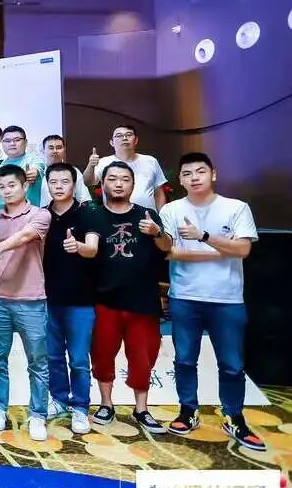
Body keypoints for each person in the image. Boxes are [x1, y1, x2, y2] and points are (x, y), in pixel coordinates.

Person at [161, 153, 264, 450]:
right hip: (184, 296)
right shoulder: (171, 210)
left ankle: (234, 416)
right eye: (187, 173)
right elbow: (170, 252)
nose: (194, 177)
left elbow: (243, 250)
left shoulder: (236, 208)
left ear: (213, 174)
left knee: (231, 363)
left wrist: (203, 236)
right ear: (180, 180)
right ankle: (187, 410)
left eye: (200, 171)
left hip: (227, 298)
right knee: (184, 359)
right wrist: (221, 252)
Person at [83, 161, 172, 433]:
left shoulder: (147, 214)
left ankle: (141, 409)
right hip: (104, 299)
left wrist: (157, 232)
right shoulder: (93, 215)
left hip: (142, 301)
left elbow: (167, 247)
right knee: (102, 354)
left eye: (125, 179)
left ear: (133, 185)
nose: (119, 183)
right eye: (112, 179)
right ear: (102, 184)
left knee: (143, 356)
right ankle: (106, 404)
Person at [0, 165, 52, 440]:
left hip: (31, 299)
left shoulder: (40, 215)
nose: (7, 191)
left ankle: (38, 415)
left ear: (24, 186)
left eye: (12, 185)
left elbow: (24, 237)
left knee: (38, 361)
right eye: (2, 186)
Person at [42, 163, 98, 434]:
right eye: (54, 182)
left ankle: (81, 407)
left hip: (81, 300)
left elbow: (93, 250)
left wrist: (78, 246)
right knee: (53, 355)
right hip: (48, 298)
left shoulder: (87, 213)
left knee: (78, 359)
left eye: (65, 181)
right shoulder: (42, 216)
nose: (59, 186)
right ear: (47, 185)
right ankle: (60, 399)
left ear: (74, 184)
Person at [84, 125, 168, 210]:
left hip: (147, 216)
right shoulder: (103, 162)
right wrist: (91, 166)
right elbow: (88, 182)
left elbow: (158, 193)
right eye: (119, 135)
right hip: (115, 215)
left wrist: (161, 215)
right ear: (112, 143)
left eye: (129, 135)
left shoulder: (150, 161)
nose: (124, 138)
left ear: (136, 140)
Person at [0, 125, 44, 209]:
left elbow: (37, 168)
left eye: (17, 140)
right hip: (1, 214)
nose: (12, 143)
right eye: (7, 141)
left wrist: (33, 172)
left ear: (25, 142)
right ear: (2, 143)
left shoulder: (34, 159)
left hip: (28, 214)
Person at [39, 135, 91, 207]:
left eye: (59, 147)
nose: (55, 151)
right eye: (51, 148)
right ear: (43, 151)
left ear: (64, 151)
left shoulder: (73, 171)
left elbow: (83, 200)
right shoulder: (38, 173)